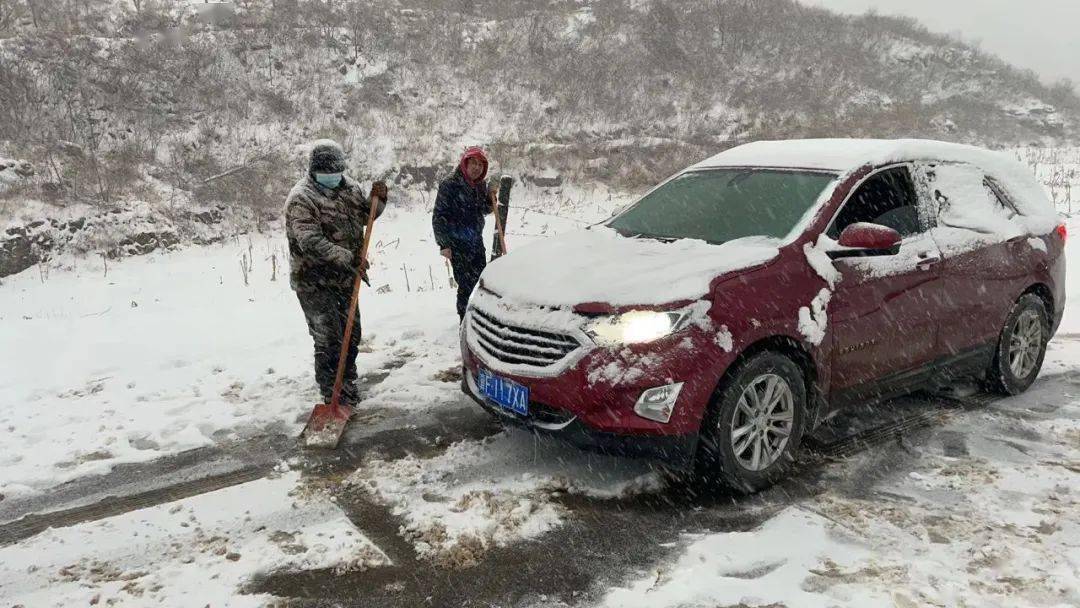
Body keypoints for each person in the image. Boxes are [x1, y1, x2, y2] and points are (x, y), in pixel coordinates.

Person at [285, 140, 386, 407]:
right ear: (314, 171)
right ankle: (332, 390)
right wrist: (347, 256)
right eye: (325, 172)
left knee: (351, 333)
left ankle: (347, 380)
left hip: (345, 278)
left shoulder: (349, 187)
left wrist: (379, 201)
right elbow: (310, 241)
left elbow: (365, 216)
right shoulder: (301, 198)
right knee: (329, 337)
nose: (332, 176)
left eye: (336, 171)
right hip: (314, 281)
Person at [432, 146, 494, 321]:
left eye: (480, 165)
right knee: (466, 285)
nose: (477, 168)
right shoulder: (450, 184)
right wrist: (444, 244)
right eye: (473, 163)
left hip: (476, 242)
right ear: (465, 163)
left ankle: (479, 319)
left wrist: (490, 200)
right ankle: (465, 320)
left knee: (481, 282)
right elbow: (439, 215)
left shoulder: (480, 186)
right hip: (457, 244)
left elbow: (483, 209)